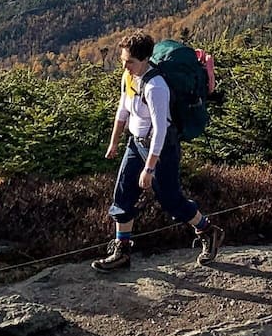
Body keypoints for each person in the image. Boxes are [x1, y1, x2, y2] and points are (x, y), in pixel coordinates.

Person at [93, 34, 222, 272]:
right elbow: (123, 110)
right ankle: (122, 251)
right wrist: (114, 143)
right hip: (136, 143)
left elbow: (161, 130)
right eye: (123, 60)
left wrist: (149, 168)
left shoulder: (156, 87)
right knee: (122, 194)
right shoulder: (129, 77)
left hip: (161, 147)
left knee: (171, 200)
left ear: (144, 59)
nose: (125, 66)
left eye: (129, 61)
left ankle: (207, 230)